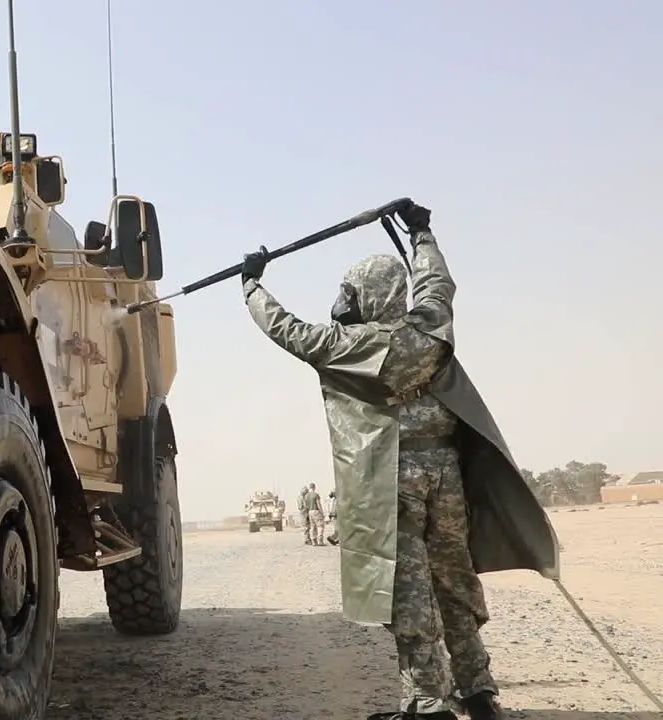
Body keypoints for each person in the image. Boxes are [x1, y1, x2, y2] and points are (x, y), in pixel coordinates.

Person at [238, 200, 559, 720]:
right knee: (455, 582)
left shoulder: (345, 344)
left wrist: (253, 285)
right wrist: (422, 233)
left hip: (391, 481)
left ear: (361, 295)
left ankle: (428, 699)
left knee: (407, 590)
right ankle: (479, 692)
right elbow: (437, 285)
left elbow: (286, 329)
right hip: (445, 475)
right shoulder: (430, 327)